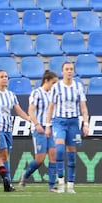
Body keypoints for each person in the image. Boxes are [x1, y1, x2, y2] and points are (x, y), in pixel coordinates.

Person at [45, 62, 89, 193]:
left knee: (71, 154)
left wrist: (85, 123)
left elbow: (83, 107)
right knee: (59, 150)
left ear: (73, 71)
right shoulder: (57, 87)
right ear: (62, 71)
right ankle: (61, 182)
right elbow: (51, 107)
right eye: (66, 69)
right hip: (59, 121)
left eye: (71, 69)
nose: (69, 71)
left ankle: (70, 185)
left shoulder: (78, 86)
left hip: (73, 122)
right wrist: (48, 125)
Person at [0, 69, 30, 191]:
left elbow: (18, 110)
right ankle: (8, 182)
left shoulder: (11, 94)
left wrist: (29, 119)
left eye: (6, 76)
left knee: (1, 158)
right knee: (3, 156)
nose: (5, 78)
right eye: (2, 76)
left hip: (8, 129)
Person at [19, 70, 58, 192]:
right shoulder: (36, 93)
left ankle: (52, 185)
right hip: (39, 128)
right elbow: (31, 110)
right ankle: (25, 175)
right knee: (40, 159)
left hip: (50, 128)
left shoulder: (52, 94)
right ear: (46, 81)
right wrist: (36, 124)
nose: (54, 85)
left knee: (53, 155)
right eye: (53, 82)